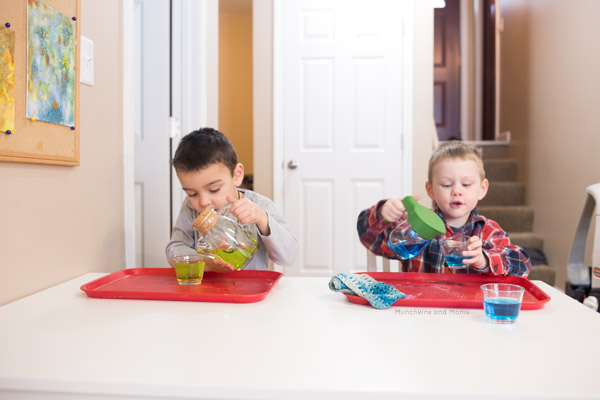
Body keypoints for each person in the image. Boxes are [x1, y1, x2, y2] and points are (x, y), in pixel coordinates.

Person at [357, 141, 530, 277]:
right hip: (419, 311)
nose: (456, 191)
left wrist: (484, 260)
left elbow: (522, 264)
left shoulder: (487, 232)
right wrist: (382, 213)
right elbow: (368, 237)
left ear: (482, 189)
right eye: (447, 184)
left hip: (468, 317)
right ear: (430, 190)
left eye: (466, 184)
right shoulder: (414, 227)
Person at [166, 128, 297, 272]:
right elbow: (175, 248)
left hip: (251, 290)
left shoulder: (259, 206)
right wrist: (204, 262)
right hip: (207, 291)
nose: (203, 202)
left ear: (236, 175)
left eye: (214, 189)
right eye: (192, 194)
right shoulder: (190, 209)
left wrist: (262, 219)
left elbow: (288, 257)